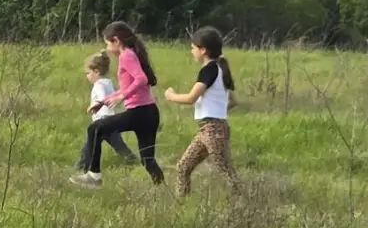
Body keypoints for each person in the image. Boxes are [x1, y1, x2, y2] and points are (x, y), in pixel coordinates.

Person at [70, 20, 164, 187]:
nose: (107, 48)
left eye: (107, 43)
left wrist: (122, 97)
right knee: (148, 160)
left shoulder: (126, 55)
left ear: (116, 40)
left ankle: (94, 176)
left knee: (95, 128)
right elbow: (127, 87)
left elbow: (141, 79)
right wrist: (103, 102)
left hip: (140, 112)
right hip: (149, 113)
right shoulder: (132, 53)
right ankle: (163, 189)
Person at [165, 26, 242, 197]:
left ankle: (243, 204)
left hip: (213, 130)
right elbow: (233, 101)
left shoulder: (209, 70)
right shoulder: (221, 69)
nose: (191, 51)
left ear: (203, 50)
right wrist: (215, 110)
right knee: (183, 167)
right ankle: (182, 204)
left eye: (193, 48)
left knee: (226, 172)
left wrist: (171, 96)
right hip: (208, 129)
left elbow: (191, 98)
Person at [84, 51, 137, 165]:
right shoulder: (108, 82)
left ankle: (83, 165)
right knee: (93, 144)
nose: (87, 76)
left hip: (102, 120)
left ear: (96, 72)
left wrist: (95, 105)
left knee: (93, 145)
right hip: (110, 118)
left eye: (88, 73)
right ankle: (82, 164)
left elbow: (104, 98)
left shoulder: (98, 85)